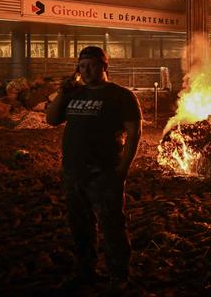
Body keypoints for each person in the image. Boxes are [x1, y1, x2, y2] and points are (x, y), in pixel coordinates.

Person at [46, 46, 142, 292]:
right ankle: (86, 271)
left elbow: (134, 132)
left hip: (104, 172)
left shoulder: (120, 96)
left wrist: (122, 168)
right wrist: (61, 94)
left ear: (104, 67)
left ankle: (118, 276)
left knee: (111, 226)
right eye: (82, 66)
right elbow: (51, 119)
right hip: (74, 171)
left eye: (91, 65)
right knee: (80, 225)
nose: (86, 71)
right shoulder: (73, 93)